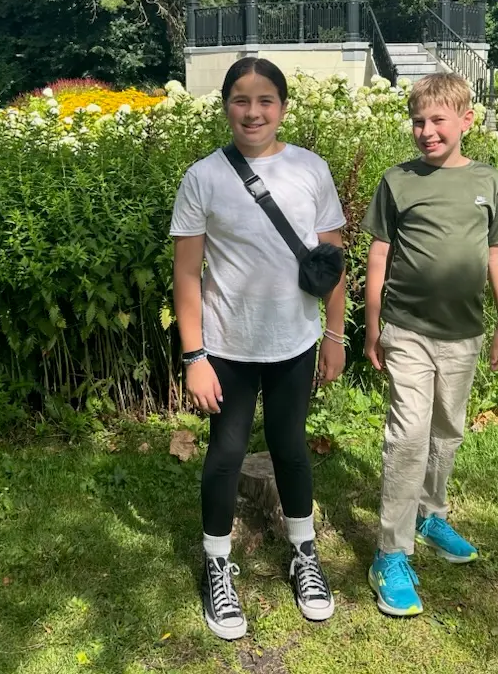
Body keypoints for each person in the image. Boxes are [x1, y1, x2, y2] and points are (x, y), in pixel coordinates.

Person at [170, 57, 348, 640]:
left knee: (291, 448)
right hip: (226, 346)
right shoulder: (204, 178)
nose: (253, 112)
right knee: (225, 453)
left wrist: (334, 335)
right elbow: (188, 275)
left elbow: (332, 263)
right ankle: (217, 565)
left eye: (265, 100)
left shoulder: (311, 170)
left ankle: (304, 554)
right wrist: (194, 358)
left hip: (294, 341)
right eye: (241, 100)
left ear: (283, 107)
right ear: (225, 106)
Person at [361, 72, 498, 617]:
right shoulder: (397, 182)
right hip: (405, 330)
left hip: (464, 334)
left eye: (437, 120)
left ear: (466, 122)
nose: (426, 131)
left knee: (447, 429)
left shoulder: (488, 182)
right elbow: (378, 255)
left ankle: (430, 514)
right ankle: (391, 552)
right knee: (407, 435)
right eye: (418, 121)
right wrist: (372, 323)